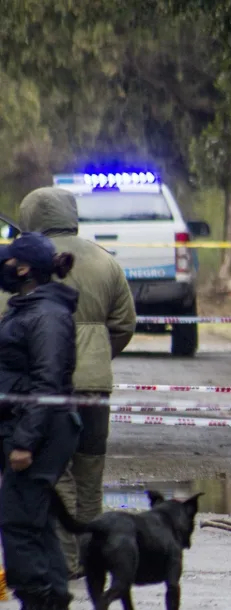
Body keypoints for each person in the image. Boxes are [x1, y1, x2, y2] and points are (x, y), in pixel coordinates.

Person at [1, 187, 136, 579]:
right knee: (91, 477)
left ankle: (66, 563)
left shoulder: (23, 262)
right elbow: (125, 323)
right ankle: (94, 559)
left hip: (42, 390)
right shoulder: (104, 260)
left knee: (56, 478)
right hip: (95, 387)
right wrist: (97, 356)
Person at [0, 232, 81, 610]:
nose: (5, 266)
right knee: (35, 520)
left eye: (10, 260)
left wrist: (25, 442)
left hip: (40, 431)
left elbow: (47, 382)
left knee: (19, 523)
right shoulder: (31, 308)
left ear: (24, 268)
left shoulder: (46, 314)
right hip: (29, 426)